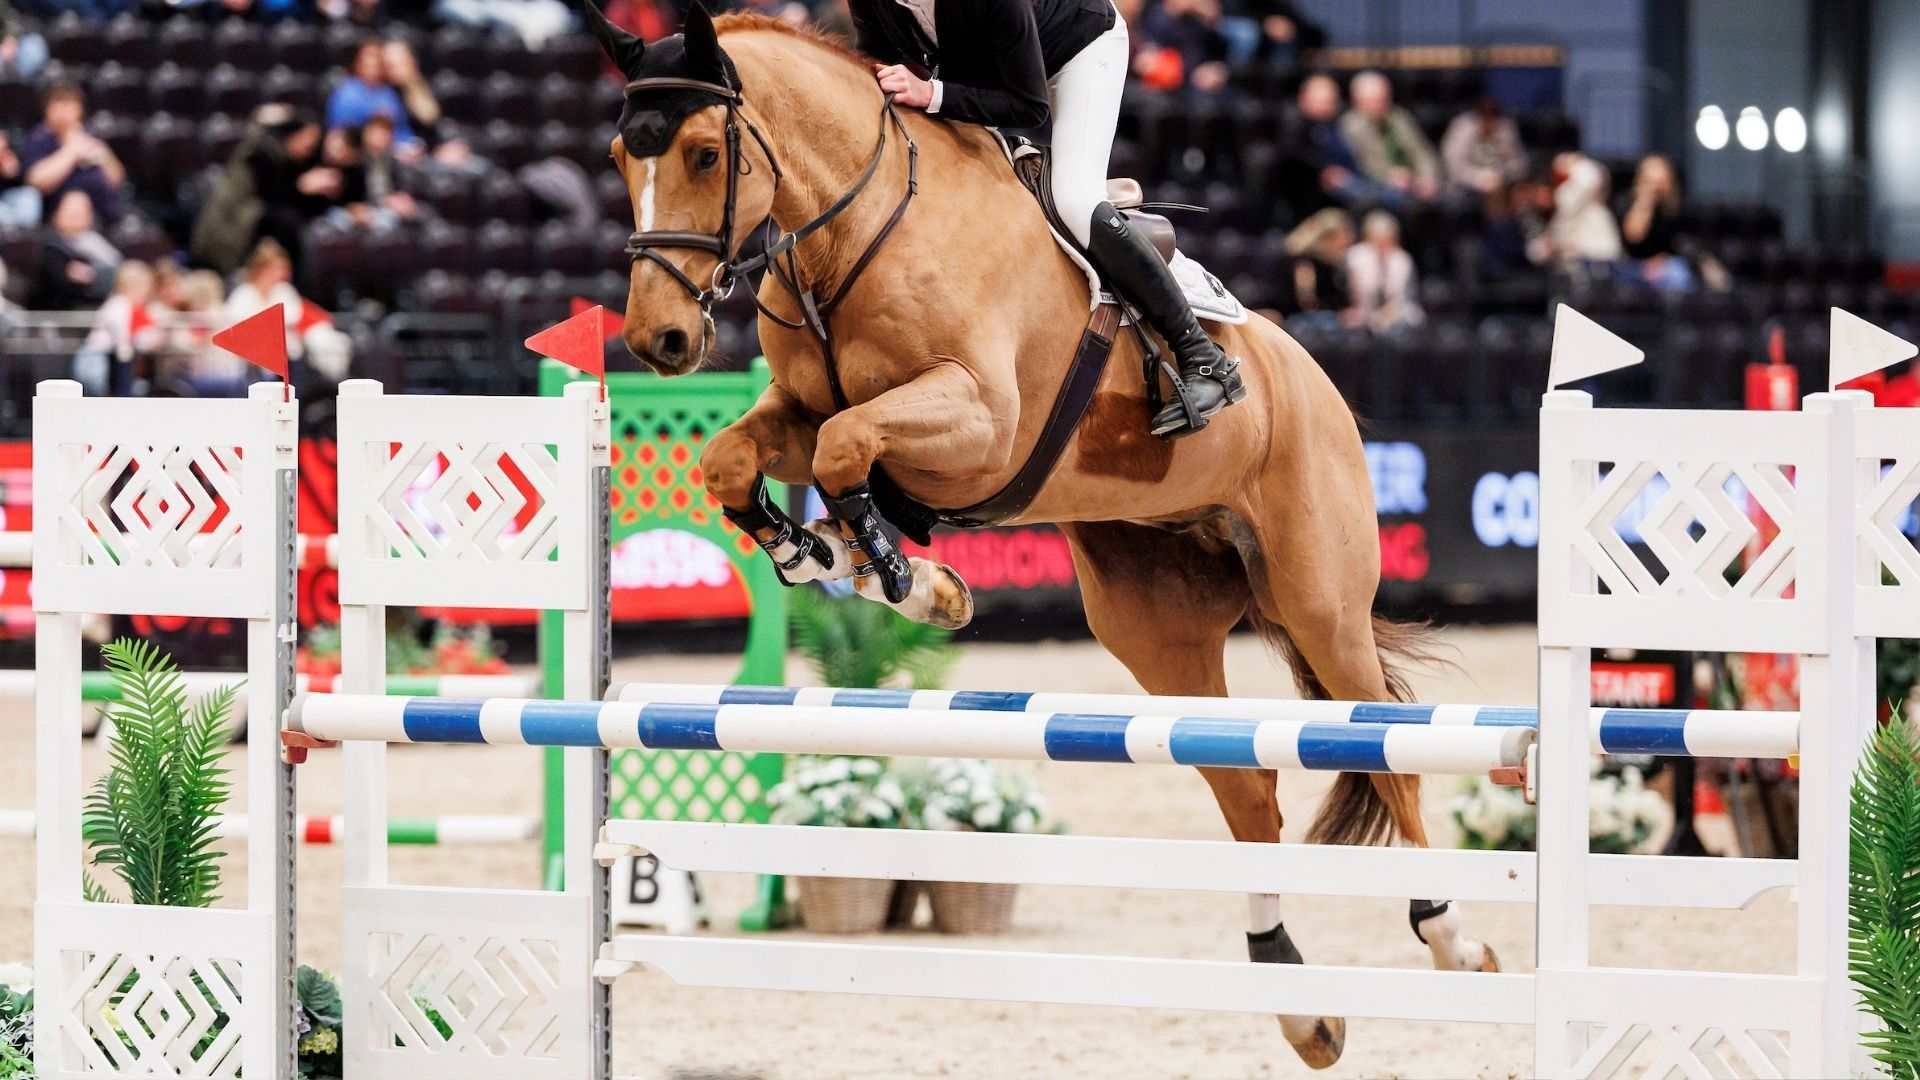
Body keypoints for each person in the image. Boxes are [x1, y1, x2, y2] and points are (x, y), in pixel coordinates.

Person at [855, 0, 1244, 436]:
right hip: (989, 66)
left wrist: (932, 94)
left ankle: (1202, 356)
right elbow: (875, 60)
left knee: (1074, 200)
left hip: (1078, 50)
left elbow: (1028, 106)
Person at [192, 106, 336, 274]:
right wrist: (301, 186)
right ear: (292, 133)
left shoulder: (295, 160)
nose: (310, 145)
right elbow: (268, 198)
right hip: (233, 225)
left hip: (255, 217)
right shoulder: (259, 155)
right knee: (286, 223)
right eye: (307, 138)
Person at [226, 239, 352, 384]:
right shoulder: (243, 294)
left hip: (289, 357)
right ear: (262, 269)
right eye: (276, 269)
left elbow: (295, 318)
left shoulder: (284, 291)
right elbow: (237, 330)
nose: (282, 274)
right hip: (252, 360)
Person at [19, 82, 129, 224]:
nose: (63, 112)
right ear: (47, 110)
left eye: (69, 105)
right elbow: (36, 181)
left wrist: (103, 154)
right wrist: (71, 152)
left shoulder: (90, 134)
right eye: (58, 105)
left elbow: (117, 180)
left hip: (104, 211)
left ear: (80, 110)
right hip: (59, 212)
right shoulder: (40, 138)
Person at [1338, 70, 1439, 204]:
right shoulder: (1350, 125)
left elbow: (1422, 151)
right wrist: (1389, 175)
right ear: (1356, 101)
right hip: (1380, 187)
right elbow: (1361, 164)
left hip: (1415, 182)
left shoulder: (1400, 118)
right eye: (1371, 100)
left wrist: (1428, 177)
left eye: (1382, 99)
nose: (1378, 105)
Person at [1530, 150, 1621, 270]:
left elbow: (1609, 253)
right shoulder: (1554, 217)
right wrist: (1549, 248)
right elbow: (1534, 253)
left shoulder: (1595, 213)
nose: (1542, 198)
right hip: (1563, 276)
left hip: (1596, 274)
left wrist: (1573, 164)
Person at [33, 190, 119, 311]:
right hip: (62, 312)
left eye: (81, 213)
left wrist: (93, 275)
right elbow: (62, 283)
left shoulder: (95, 241)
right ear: (56, 215)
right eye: (71, 213)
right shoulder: (51, 246)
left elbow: (119, 273)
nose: (75, 218)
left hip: (100, 309)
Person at [1619, 153, 1693, 293]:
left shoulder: (1674, 209)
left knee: (1678, 272)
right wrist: (1645, 200)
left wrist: (1660, 262)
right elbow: (1633, 236)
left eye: (1661, 181)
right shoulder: (1627, 203)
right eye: (1651, 181)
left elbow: (1676, 246)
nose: (1656, 186)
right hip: (1633, 264)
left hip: (1665, 265)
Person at [326, 39, 419, 148]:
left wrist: (410, 144)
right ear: (358, 64)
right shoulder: (346, 93)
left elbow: (401, 127)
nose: (372, 64)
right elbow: (341, 134)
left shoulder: (389, 93)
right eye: (367, 60)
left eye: (377, 61)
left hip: (393, 151)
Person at [1344, 209, 1421, 334]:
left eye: (1388, 239)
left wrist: (1391, 311)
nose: (1382, 244)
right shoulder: (1354, 257)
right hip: (1361, 314)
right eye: (1377, 239)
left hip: (1396, 316)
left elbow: (1410, 295)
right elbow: (1346, 292)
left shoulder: (1403, 260)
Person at [1275, 207, 1352, 330]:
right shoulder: (1305, 264)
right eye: (1343, 238)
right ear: (1328, 238)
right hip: (1301, 324)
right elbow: (1307, 301)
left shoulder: (1333, 266)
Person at [1440, 96, 1526, 197]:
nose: (1488, 120)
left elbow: (1518, 164)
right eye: (1484, 114)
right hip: (1465, 186)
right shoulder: (1462, 127)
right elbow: (1452, 162)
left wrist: (1500, 177)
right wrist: (1476, 178)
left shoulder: (1506, 129)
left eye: (1492, 115)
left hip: (1501, 184)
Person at [0, 131, 41, 227]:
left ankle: (22, 233)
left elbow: (22, 181)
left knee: (30, 195)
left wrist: (12, 172)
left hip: (8, 198)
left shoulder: (9, 155)